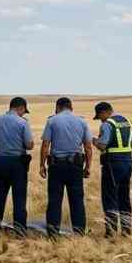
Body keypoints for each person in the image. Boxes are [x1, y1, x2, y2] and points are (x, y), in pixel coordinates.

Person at [39, 97, 93, 237]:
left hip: (56, 166)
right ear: (71, 107)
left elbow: (45, 145)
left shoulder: (52, 121)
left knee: (54, 200)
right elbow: (88, 146)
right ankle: (79, 233)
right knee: (77, 200)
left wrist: (42, 165)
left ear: (58, 107)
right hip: (76, 166)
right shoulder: (82, 121)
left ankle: (53, 234)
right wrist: (88, 166)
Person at [0, 96, 34, 239]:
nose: (23, 113)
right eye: (24, 111)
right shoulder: (23, 123)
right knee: (19, 199)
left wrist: (2, 144)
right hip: (18, 164)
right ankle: (20, 232)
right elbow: (29, 145)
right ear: (21, 108)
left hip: (0, 162)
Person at [93, 101, 132, 237]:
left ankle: (111, 232)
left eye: (100, 116)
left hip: (112, 164)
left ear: (104, 112)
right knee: (124, 198)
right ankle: (126, 230)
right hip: (128, 163)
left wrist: (94, 141)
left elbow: (102, 146)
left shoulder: (107, 124)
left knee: (110, 197)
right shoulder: (128, 122)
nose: (100, 120)